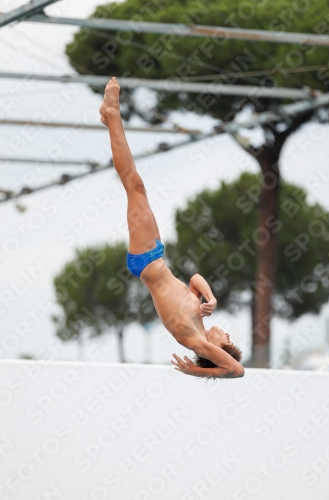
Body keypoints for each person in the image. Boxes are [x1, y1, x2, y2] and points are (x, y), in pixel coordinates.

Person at [99, 77, 244, 380]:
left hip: (146, 262)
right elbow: (193, 278)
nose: (227, 334)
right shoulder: (199, 321)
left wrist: (197, 371)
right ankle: (110, 119)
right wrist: (210, 297)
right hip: (156, 255)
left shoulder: (196, 342)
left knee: (133, 184)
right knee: (136, 186)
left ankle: (112, 114)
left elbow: (237, 370)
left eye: (227, 341)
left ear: (216, 350)